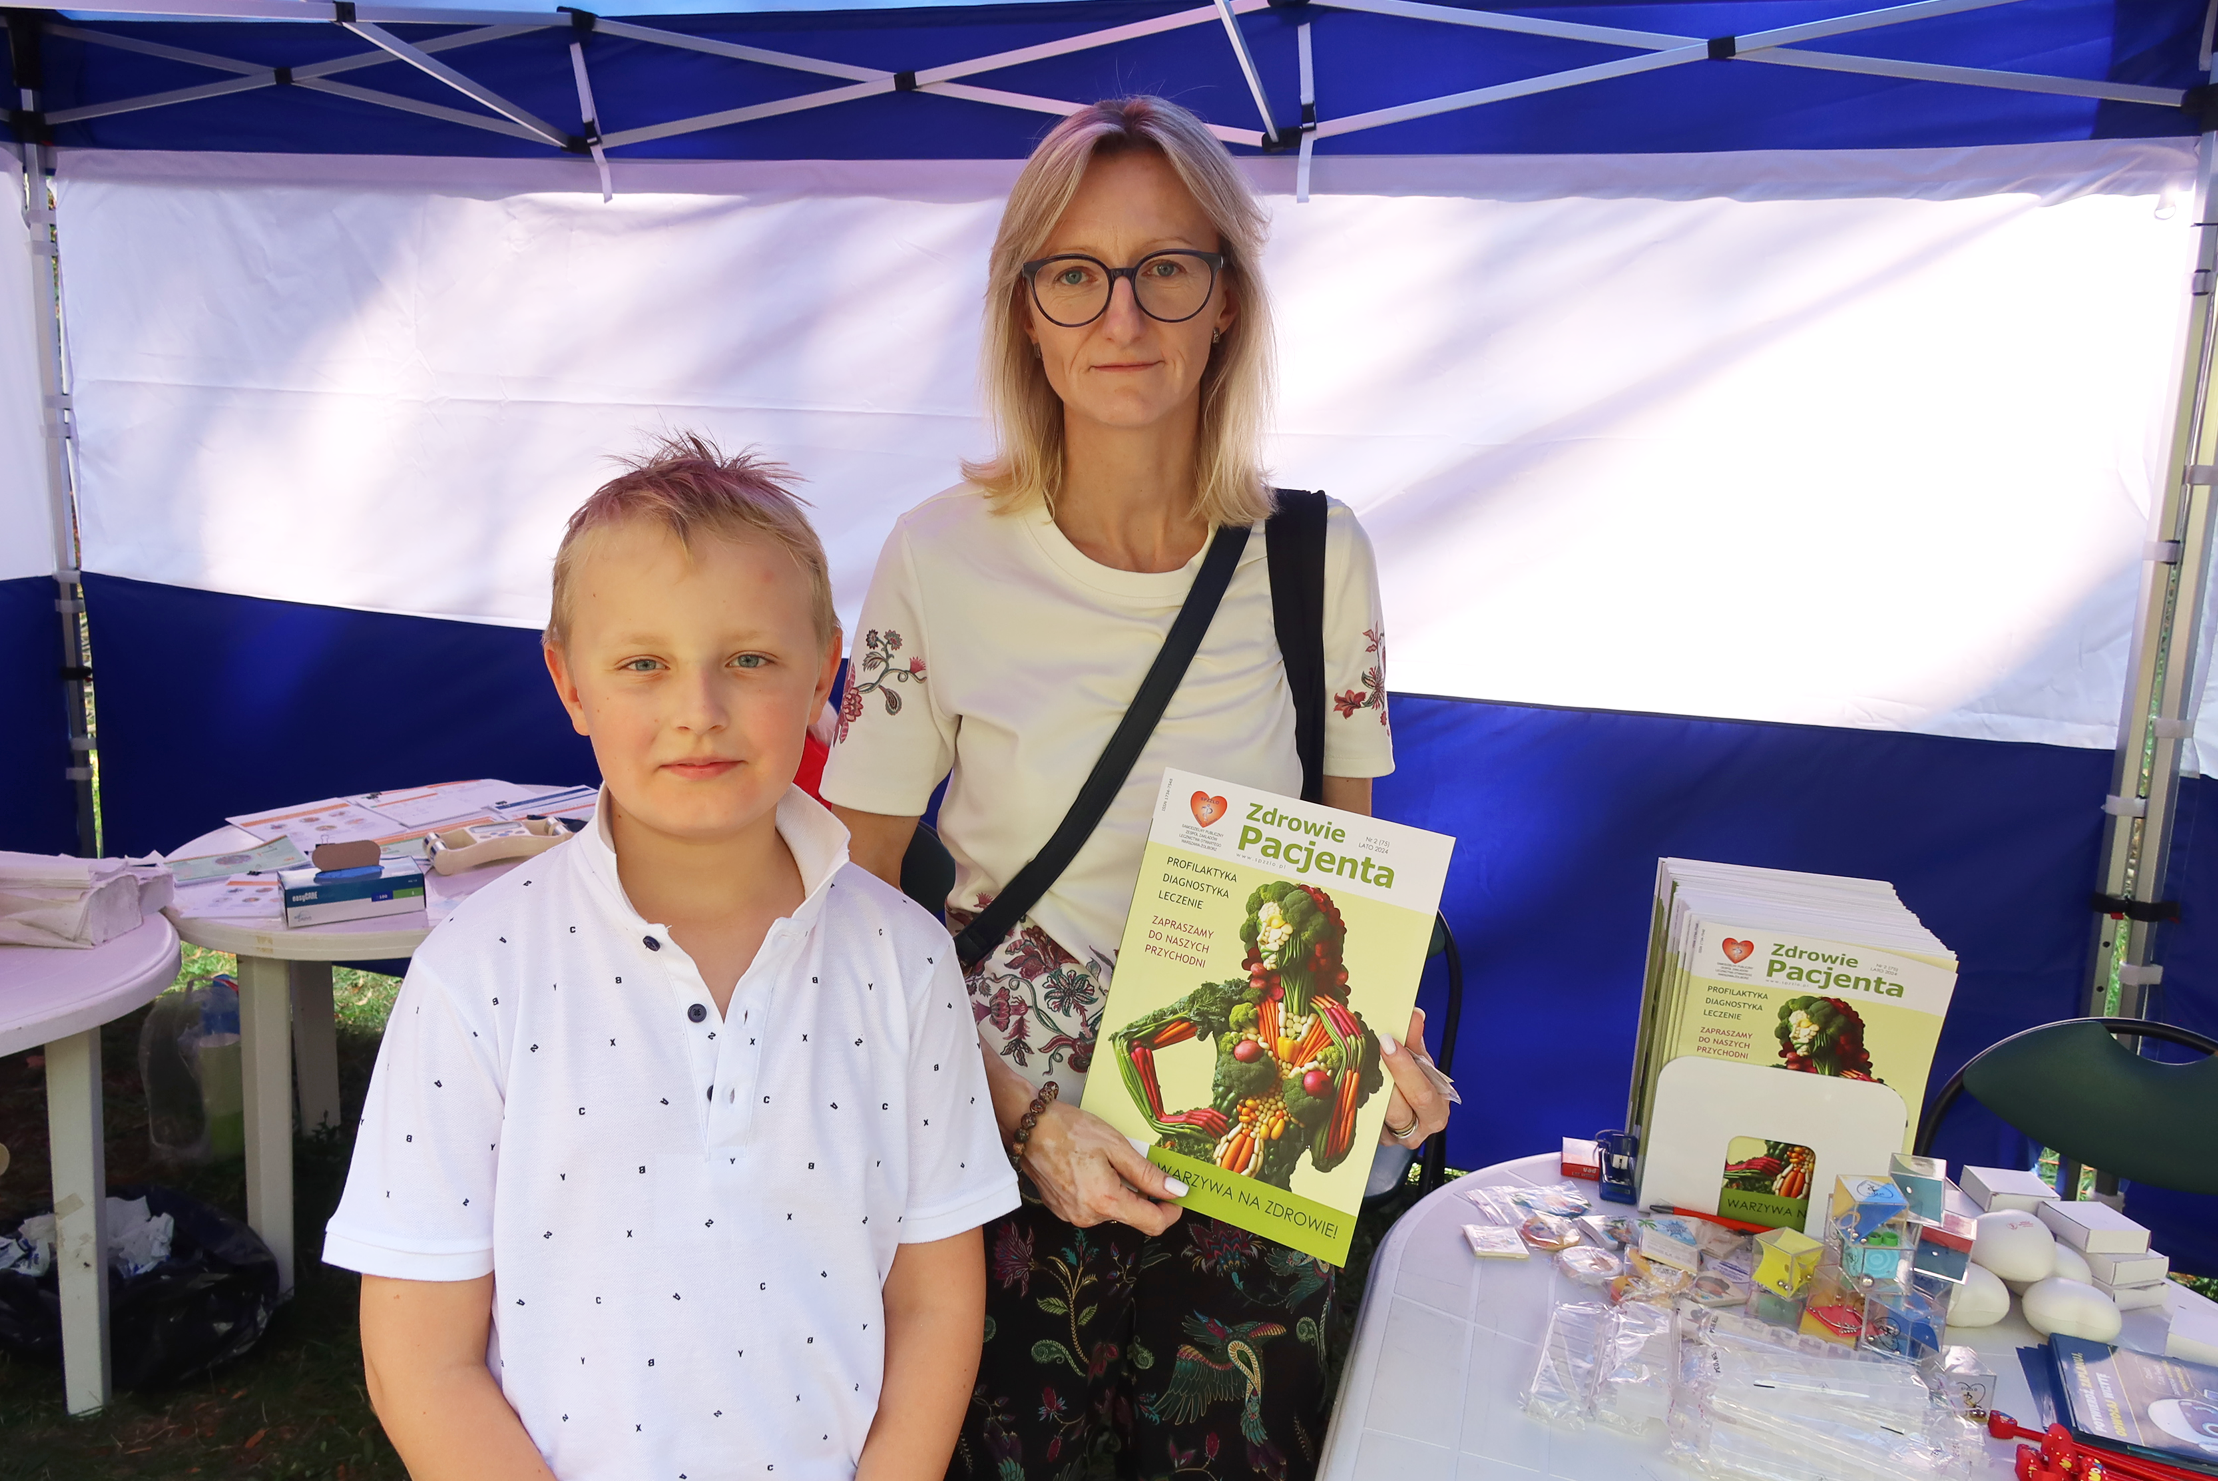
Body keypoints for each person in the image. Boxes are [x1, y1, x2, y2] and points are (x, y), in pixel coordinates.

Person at [820, 98, 1454, 1480]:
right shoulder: (935, 555)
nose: (1121, 316)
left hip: (1251, 1135)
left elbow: (1347, 869)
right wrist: (1022, 1119)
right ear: (1025, 309)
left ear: (1226, 300)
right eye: (1075, 273)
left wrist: (1384, 1049)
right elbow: (853, 897)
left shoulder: (1317, 555)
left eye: (1166, 267)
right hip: (1000, 1115)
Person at [323, 436, 1018, 1481]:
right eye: (643, 664)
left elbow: (933, 1300)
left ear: (824, 670)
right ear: (569, 681)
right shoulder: (474, 974)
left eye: (750, 659)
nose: (699, 709)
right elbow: (420, 1359)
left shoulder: (908, 962)